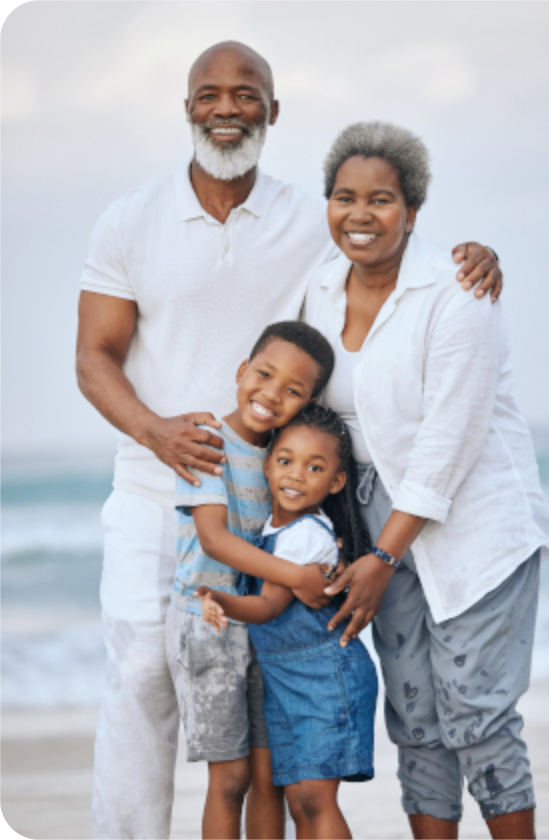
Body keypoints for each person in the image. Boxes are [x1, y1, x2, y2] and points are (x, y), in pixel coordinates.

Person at [76, 40, 503, 839]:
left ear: (272, 112)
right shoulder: (129, 219)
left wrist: (473, 257)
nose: (227, 108)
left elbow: (386, 242)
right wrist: (156, 432)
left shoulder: (312, 218)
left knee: (264, 727)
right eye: (210, 94)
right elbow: (93, 357)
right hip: (154, 488)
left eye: (246, 95)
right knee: (138, 680)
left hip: (277, 504)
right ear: (187, 107)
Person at [302, 121, 549, 840]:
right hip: (370, 522)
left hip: (472, 523)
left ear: (412, 211)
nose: (360, 214)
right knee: (415, 717)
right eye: (345, 197)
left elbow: (449, 440)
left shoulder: (458, 291)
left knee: (477, 711)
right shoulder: (317, 288)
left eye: (381, 199)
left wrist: (384, 556)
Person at [165, 320, 340, 840]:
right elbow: (215, 540)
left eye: (293, 390)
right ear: (242, 371)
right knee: (231, 778)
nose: (271, 394)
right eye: (264, 375)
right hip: (207, 625)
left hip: (265, 629)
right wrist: (297, 577)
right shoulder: (207, 444)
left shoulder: (285, 458)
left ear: (309, 402)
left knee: (269, 776)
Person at [199, 404, 378, 840]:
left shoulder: (305, 537)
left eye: (314, 468)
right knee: (298, 799)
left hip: (325, 678)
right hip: (287, 680)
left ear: (336, 482)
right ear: (267, 466)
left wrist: (221, 598)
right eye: (285, 461)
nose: (296, 475)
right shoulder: (272, 530)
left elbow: (268, 607)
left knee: (315, 799)